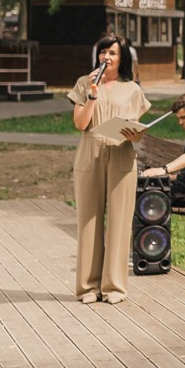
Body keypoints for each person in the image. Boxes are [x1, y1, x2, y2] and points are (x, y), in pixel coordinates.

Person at [70, 36, 149, 303]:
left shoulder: (133, 90)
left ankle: (114, 287)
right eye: (103, 51)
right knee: (88, 221)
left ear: (122, 57)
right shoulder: (84, 83)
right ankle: (87, 287)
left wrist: (135, 135)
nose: (107, 56)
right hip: (90, 151)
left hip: (121, 152)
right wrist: (93, 94)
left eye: (113, 53)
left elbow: (135, 126)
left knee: (119, 220)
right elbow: (81, 124)